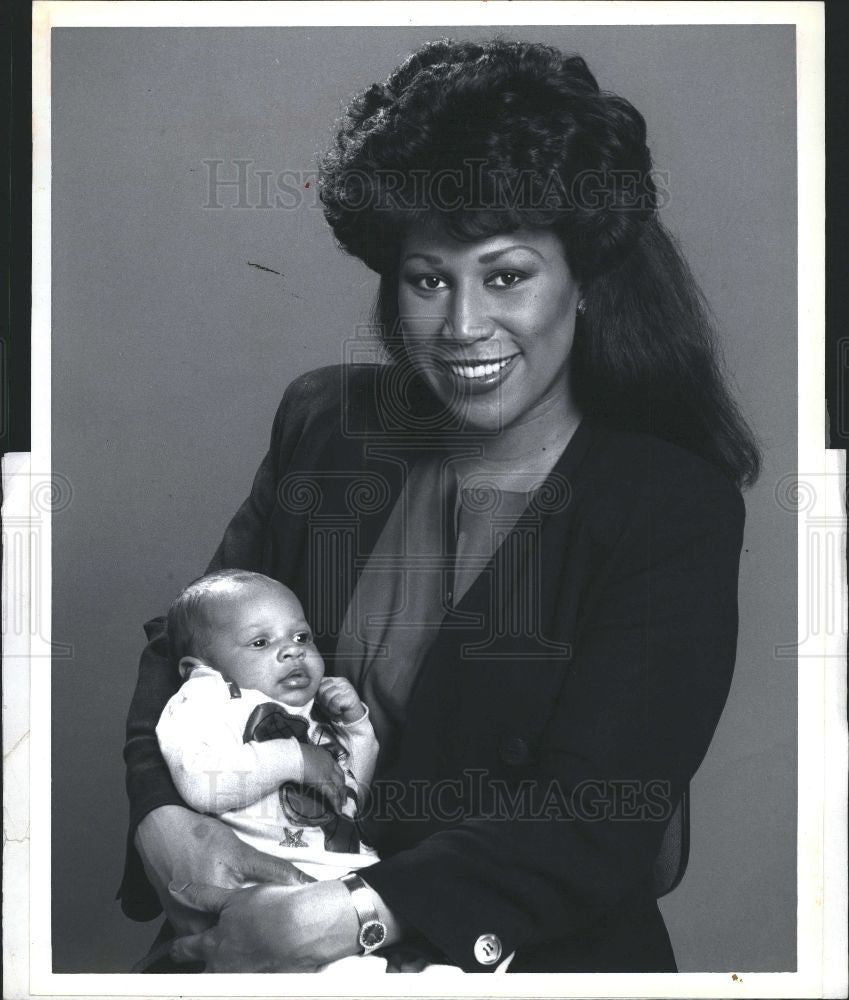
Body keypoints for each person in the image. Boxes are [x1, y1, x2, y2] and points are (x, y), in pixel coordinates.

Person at [119, 38, 760, 973]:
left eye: (505, 276)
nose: (462, 327)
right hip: (247, 928)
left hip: (510, 960)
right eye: (429, 279)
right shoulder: (329, 422)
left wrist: (347, 918)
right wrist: (159, 819)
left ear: (581, 281)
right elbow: (184, 639)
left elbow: (594, 815)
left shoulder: (669, 506)